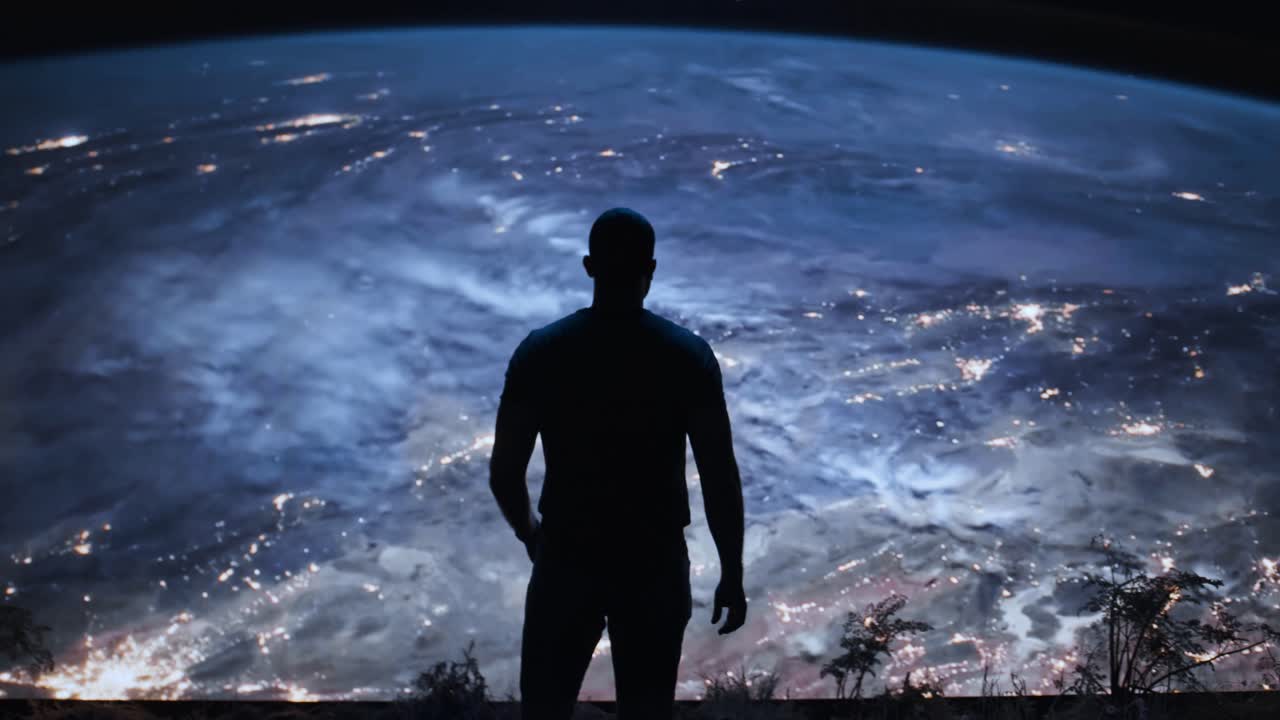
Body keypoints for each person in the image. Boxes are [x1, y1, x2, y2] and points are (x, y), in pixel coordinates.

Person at [489, 207, 748, 720]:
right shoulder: (686, 356)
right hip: (652, 562)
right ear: (650, 268)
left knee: (545, 708)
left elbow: (504, 473)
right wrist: (731, 573)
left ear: (589, 266)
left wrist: (530, 534)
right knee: (647, 710)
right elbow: (719, 474)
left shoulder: (541, 353)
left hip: (566, 555)